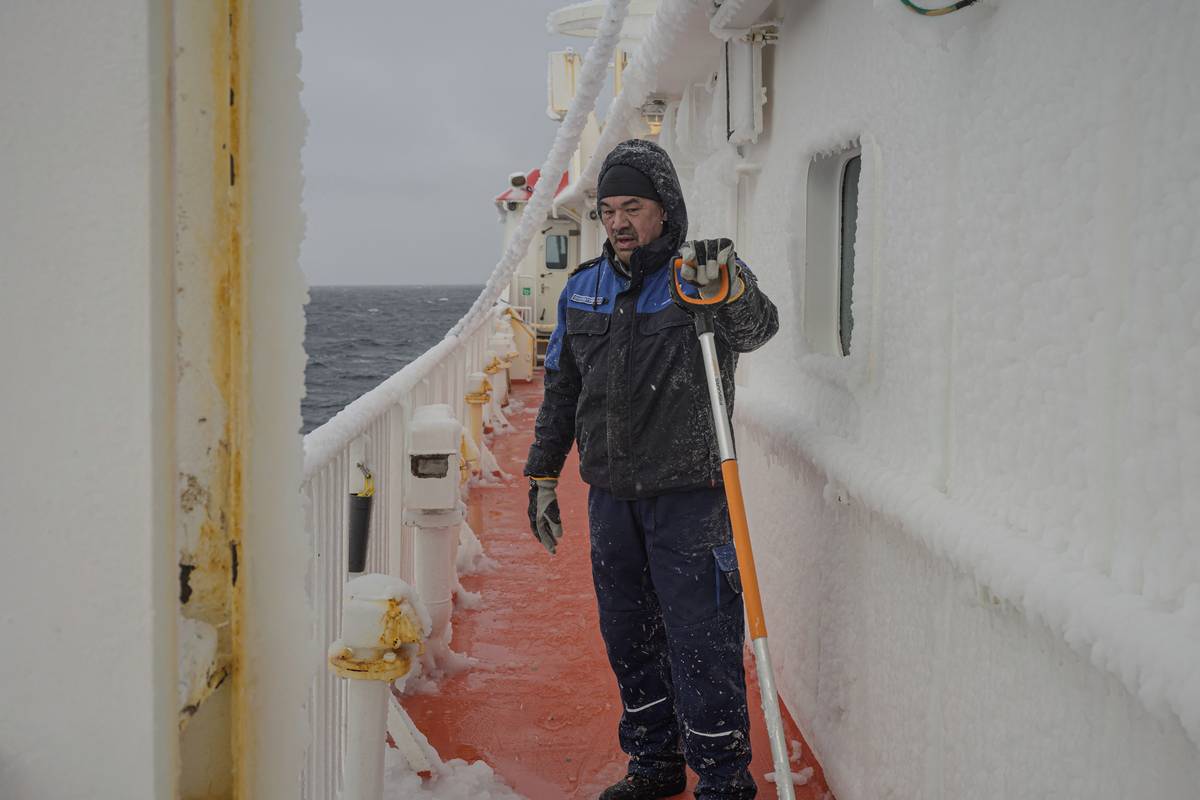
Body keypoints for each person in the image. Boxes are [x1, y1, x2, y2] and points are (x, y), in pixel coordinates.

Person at [524, 138, 779, 800]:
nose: (618, 222)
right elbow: (562, 390)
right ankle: (654, 762)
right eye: (608, 210)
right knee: (628, 636)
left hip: (691, 496)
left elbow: (757, 330)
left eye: (632, 208)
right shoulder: (583, 290)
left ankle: (723, 780)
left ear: (665, 207)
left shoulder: (699, 276)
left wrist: (731, 288)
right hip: (612, 499)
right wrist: (542, 474)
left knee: (702, 641)